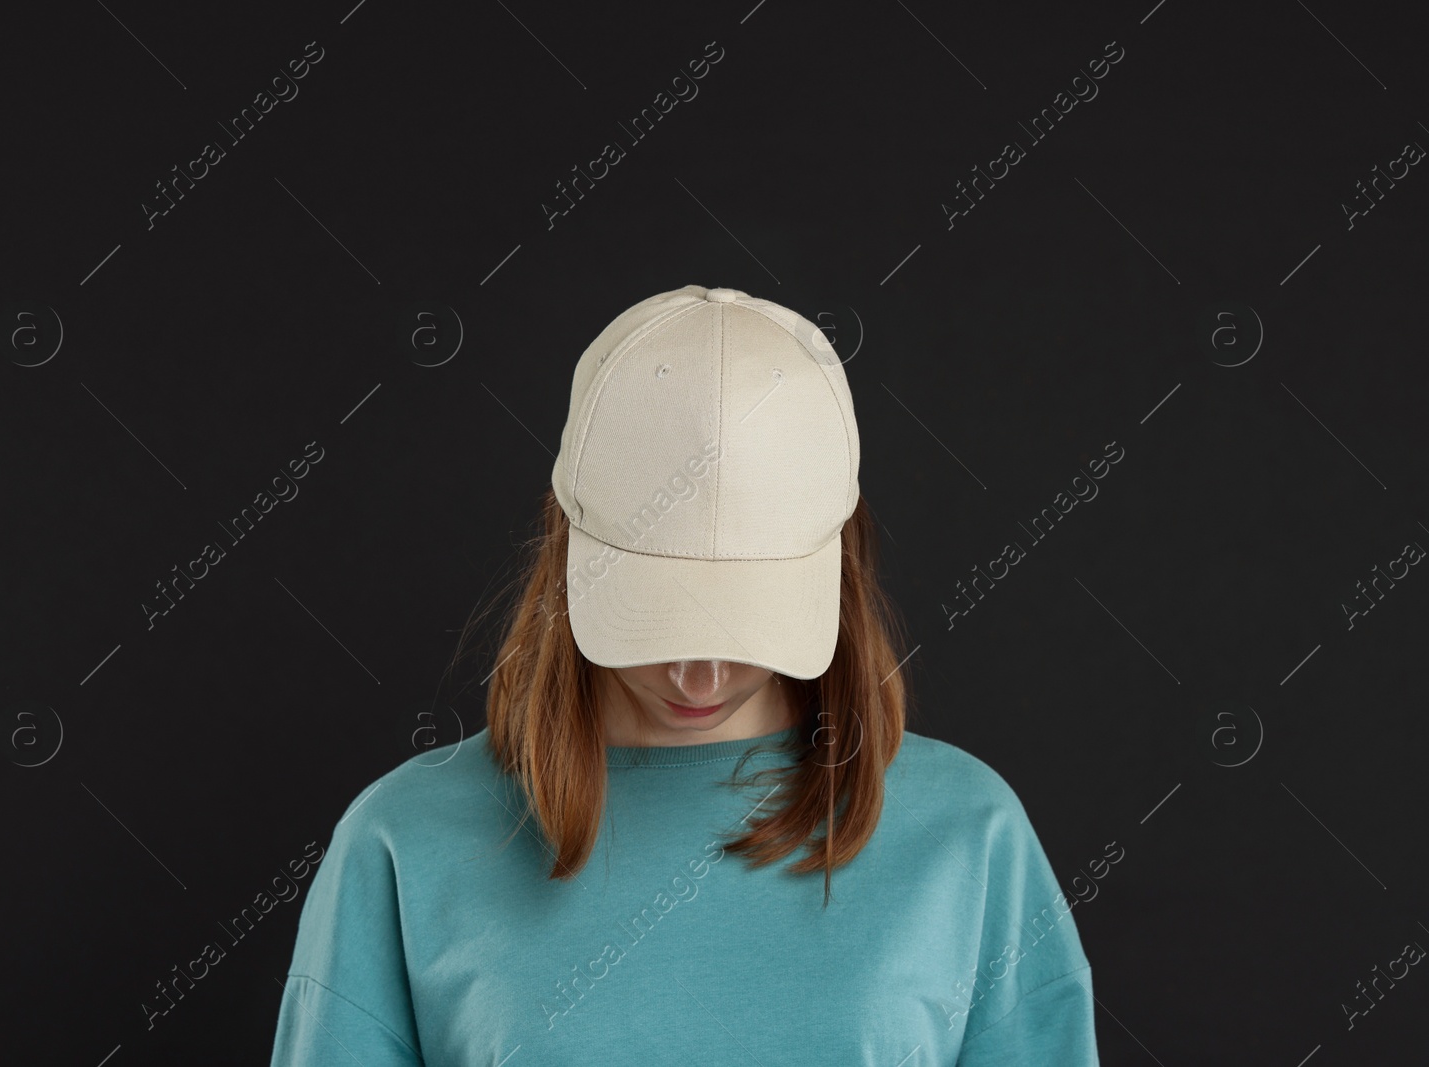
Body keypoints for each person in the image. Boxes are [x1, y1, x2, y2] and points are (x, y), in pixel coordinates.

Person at [266, 284, 1099, 1065]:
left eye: (745, 619)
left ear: (834, 563)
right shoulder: (402, 844)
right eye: (655, 612)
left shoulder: (971, 837)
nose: (699, 675)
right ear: (569, 546)